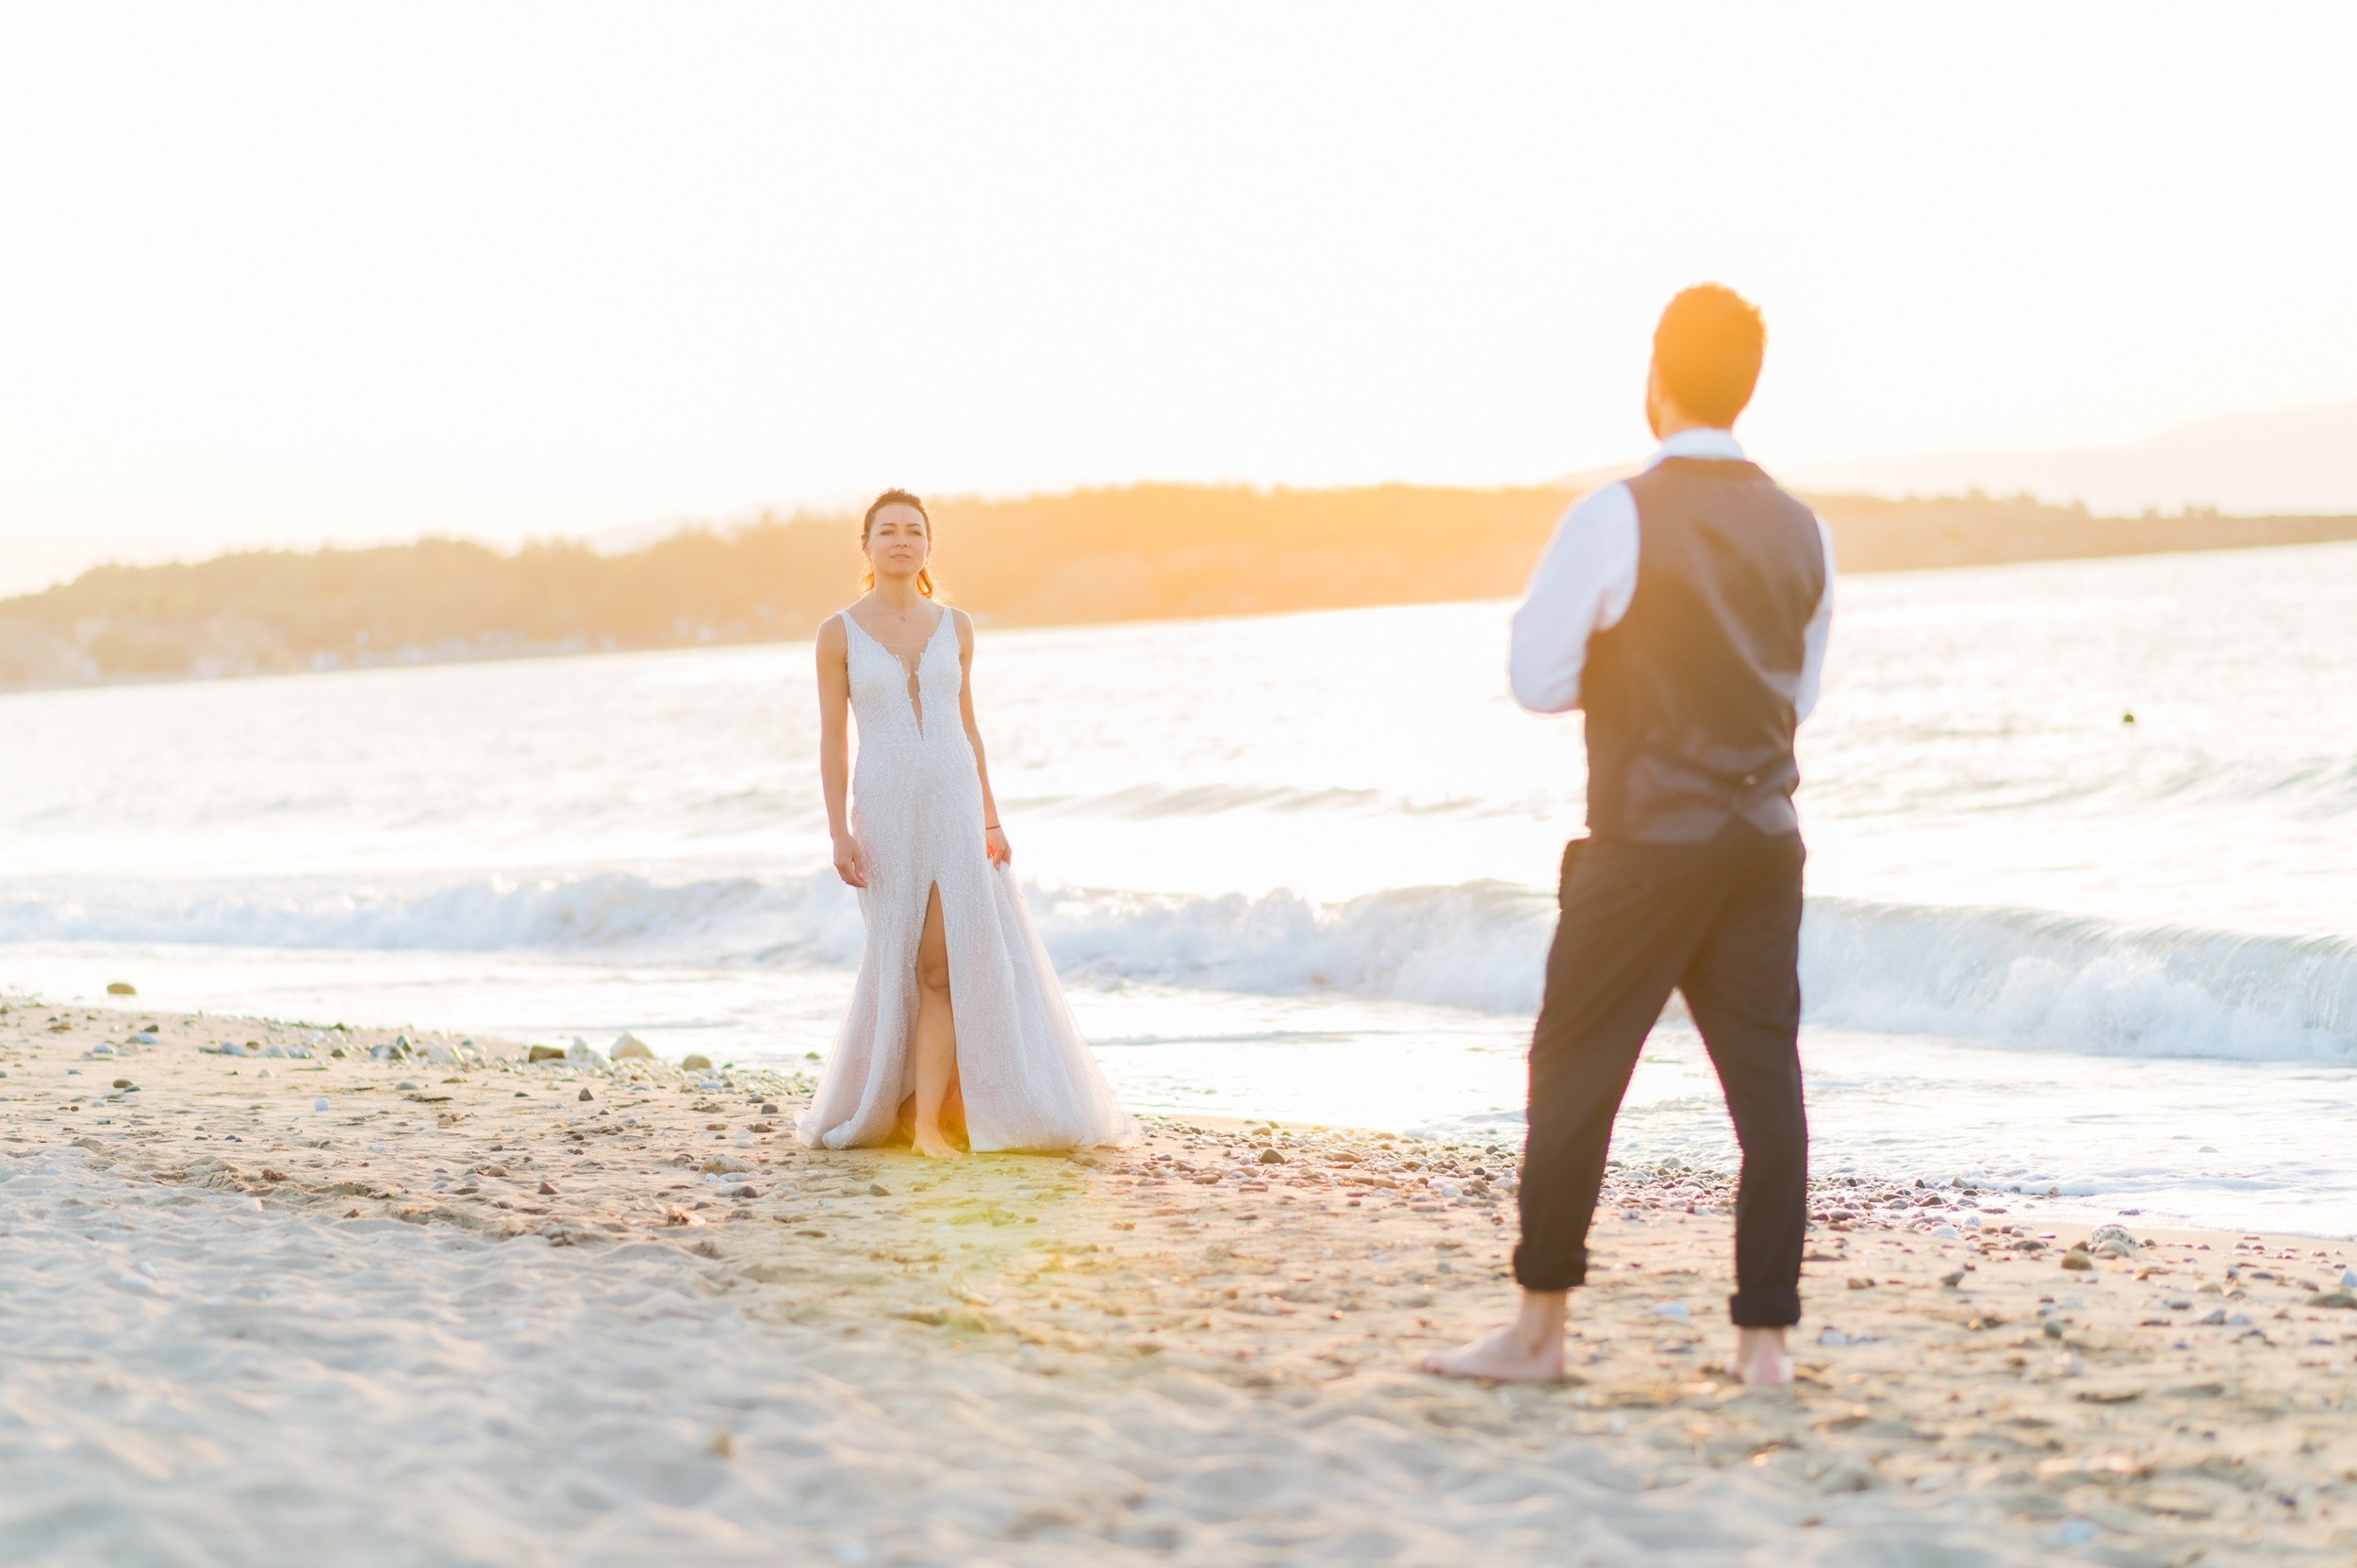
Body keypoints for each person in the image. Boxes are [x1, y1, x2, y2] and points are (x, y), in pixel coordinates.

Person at [1426, 285, 1835, 1386]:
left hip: (1646, 840)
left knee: (1572, 1076)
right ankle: (1763, 1349)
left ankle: (1538, 1336)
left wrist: (1635, 677)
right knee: (1766, 1091)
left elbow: (1535, 678)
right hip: (1763, 835)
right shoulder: (1805, 526)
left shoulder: (1614, 514)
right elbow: (1798, 689)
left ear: (1655, 374)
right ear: (1748, 384)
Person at [799, 489, 1137, 1158]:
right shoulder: (837, 631)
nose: (901, 540)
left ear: (929, 545)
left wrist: (991, 819)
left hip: (954, 800)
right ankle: (907, 1111)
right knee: (902, 963)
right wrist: (837, 829)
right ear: (865, 546)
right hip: (887, 807)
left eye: (914, 531)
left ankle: (931, 1122)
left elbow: (969, 729)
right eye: (887, 530)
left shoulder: (957, 626)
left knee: (941, 966)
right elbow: (833, 739)